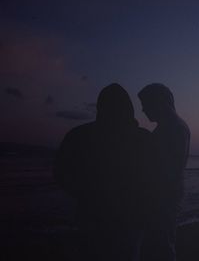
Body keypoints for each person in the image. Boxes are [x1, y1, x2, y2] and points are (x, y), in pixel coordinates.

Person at [53, 83, 150, 261]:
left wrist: (85, 193)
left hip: (94, 216)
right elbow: (156, 177)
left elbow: (60, 173)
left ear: (100, 107)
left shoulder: (78, 135)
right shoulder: (143, 138)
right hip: (130, 217)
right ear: (129, 108)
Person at [138, 83, 190, 261]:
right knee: (160, 244)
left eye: (146, 103)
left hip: (164, 198)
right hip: (164, 196)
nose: (143, 109)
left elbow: (171, 170)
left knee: (162, 245)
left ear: (159, 102)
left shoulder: (175, 128)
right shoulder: (169, 127)